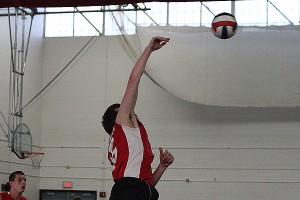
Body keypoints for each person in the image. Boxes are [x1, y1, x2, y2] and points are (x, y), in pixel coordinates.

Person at [102, 36, 174, 200]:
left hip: (135, 190)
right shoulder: (122, 125)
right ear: (117, 120)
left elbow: (145, 185)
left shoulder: (129, 143)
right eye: (124, 110)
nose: (131, 111)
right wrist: (149, 49)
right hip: (130, 190)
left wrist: (162, 166)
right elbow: (134, 80)